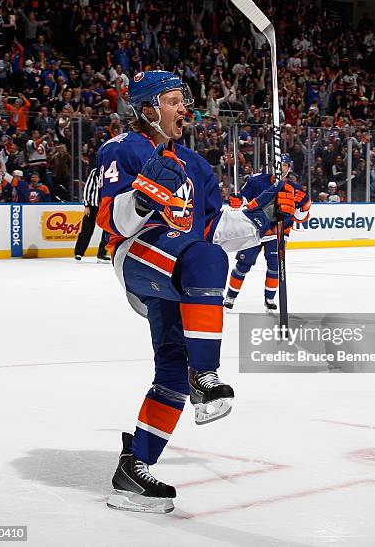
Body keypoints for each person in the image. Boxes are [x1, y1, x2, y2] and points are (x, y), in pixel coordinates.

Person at [96, 71, 295, 513]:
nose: (185, 109)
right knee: (207, 260)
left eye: (183, 101)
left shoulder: (196, 164)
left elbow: (217, 229)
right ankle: (207, 378)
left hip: (178, 272)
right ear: (147, 109)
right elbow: (111, 220)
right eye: (172, 101)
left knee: (171, 369)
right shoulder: (121, 148)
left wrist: (269, 215)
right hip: (137, 255)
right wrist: (143, 199)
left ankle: (135, 468)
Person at [223, 155, 311, 311]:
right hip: (254, 230)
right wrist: (237, 201)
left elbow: (300, 218)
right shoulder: (256, 181)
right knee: (243, 264)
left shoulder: (296, 189)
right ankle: (230, 296)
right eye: (278, 164)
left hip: (278, 233)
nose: (281, 167)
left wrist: (304, 206)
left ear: (289, 168)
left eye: (284, 164)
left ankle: (269, 299)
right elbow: (243, 203)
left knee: (275, 267)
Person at [74, 167, 109, 262]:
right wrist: (86, 205)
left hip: (105, 206)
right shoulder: (95, 171)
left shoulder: (112, 170)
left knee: (107, 231)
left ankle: (102, 254)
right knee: (87, 230)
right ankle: (79, 252)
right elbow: (88, 188)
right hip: (93, 206)